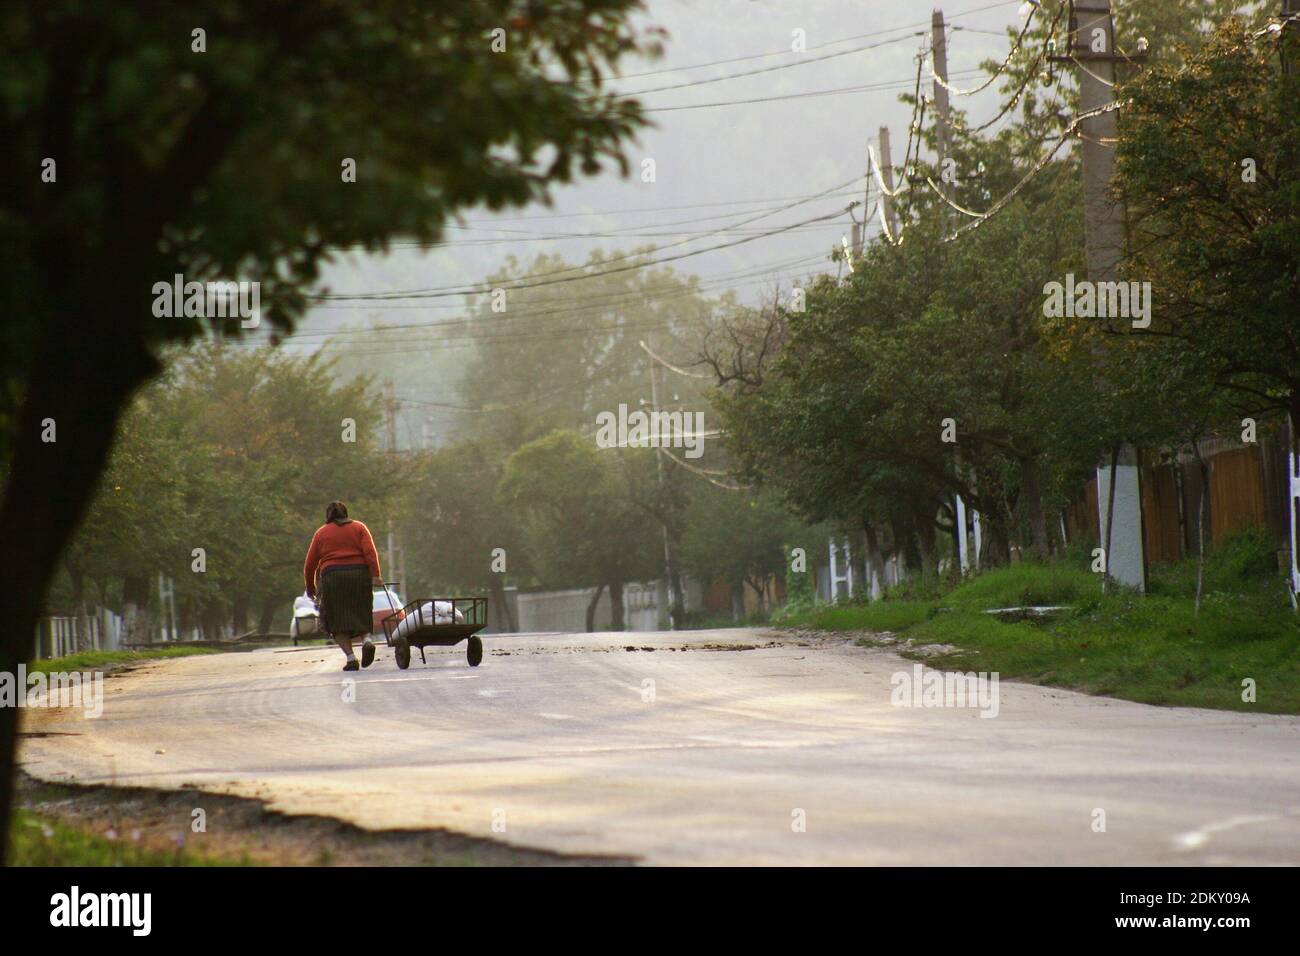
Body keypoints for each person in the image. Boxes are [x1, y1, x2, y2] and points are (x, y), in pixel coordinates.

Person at [303, 501, 382, 671]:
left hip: (333, 578)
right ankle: (367, 640)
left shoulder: (321, 533)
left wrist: (311, 588)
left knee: (335, 619)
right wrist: (375, 575)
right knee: (361, 611)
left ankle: (351, 658)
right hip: (359, 575)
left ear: (328, 516)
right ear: (346, 513)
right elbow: (370, 552)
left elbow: (310, 564)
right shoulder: (359, 527)